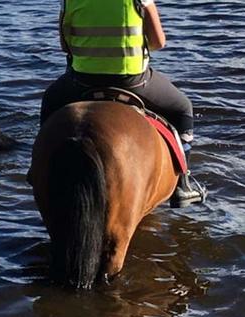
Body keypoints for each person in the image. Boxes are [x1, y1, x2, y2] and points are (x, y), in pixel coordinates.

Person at [41, 0, 205, 207]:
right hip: (132, 81)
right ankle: (182, 184)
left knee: (49, 101)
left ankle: (40, 170)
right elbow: (158, 42)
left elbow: (65, 45)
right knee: (182, 108)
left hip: (81, 81)